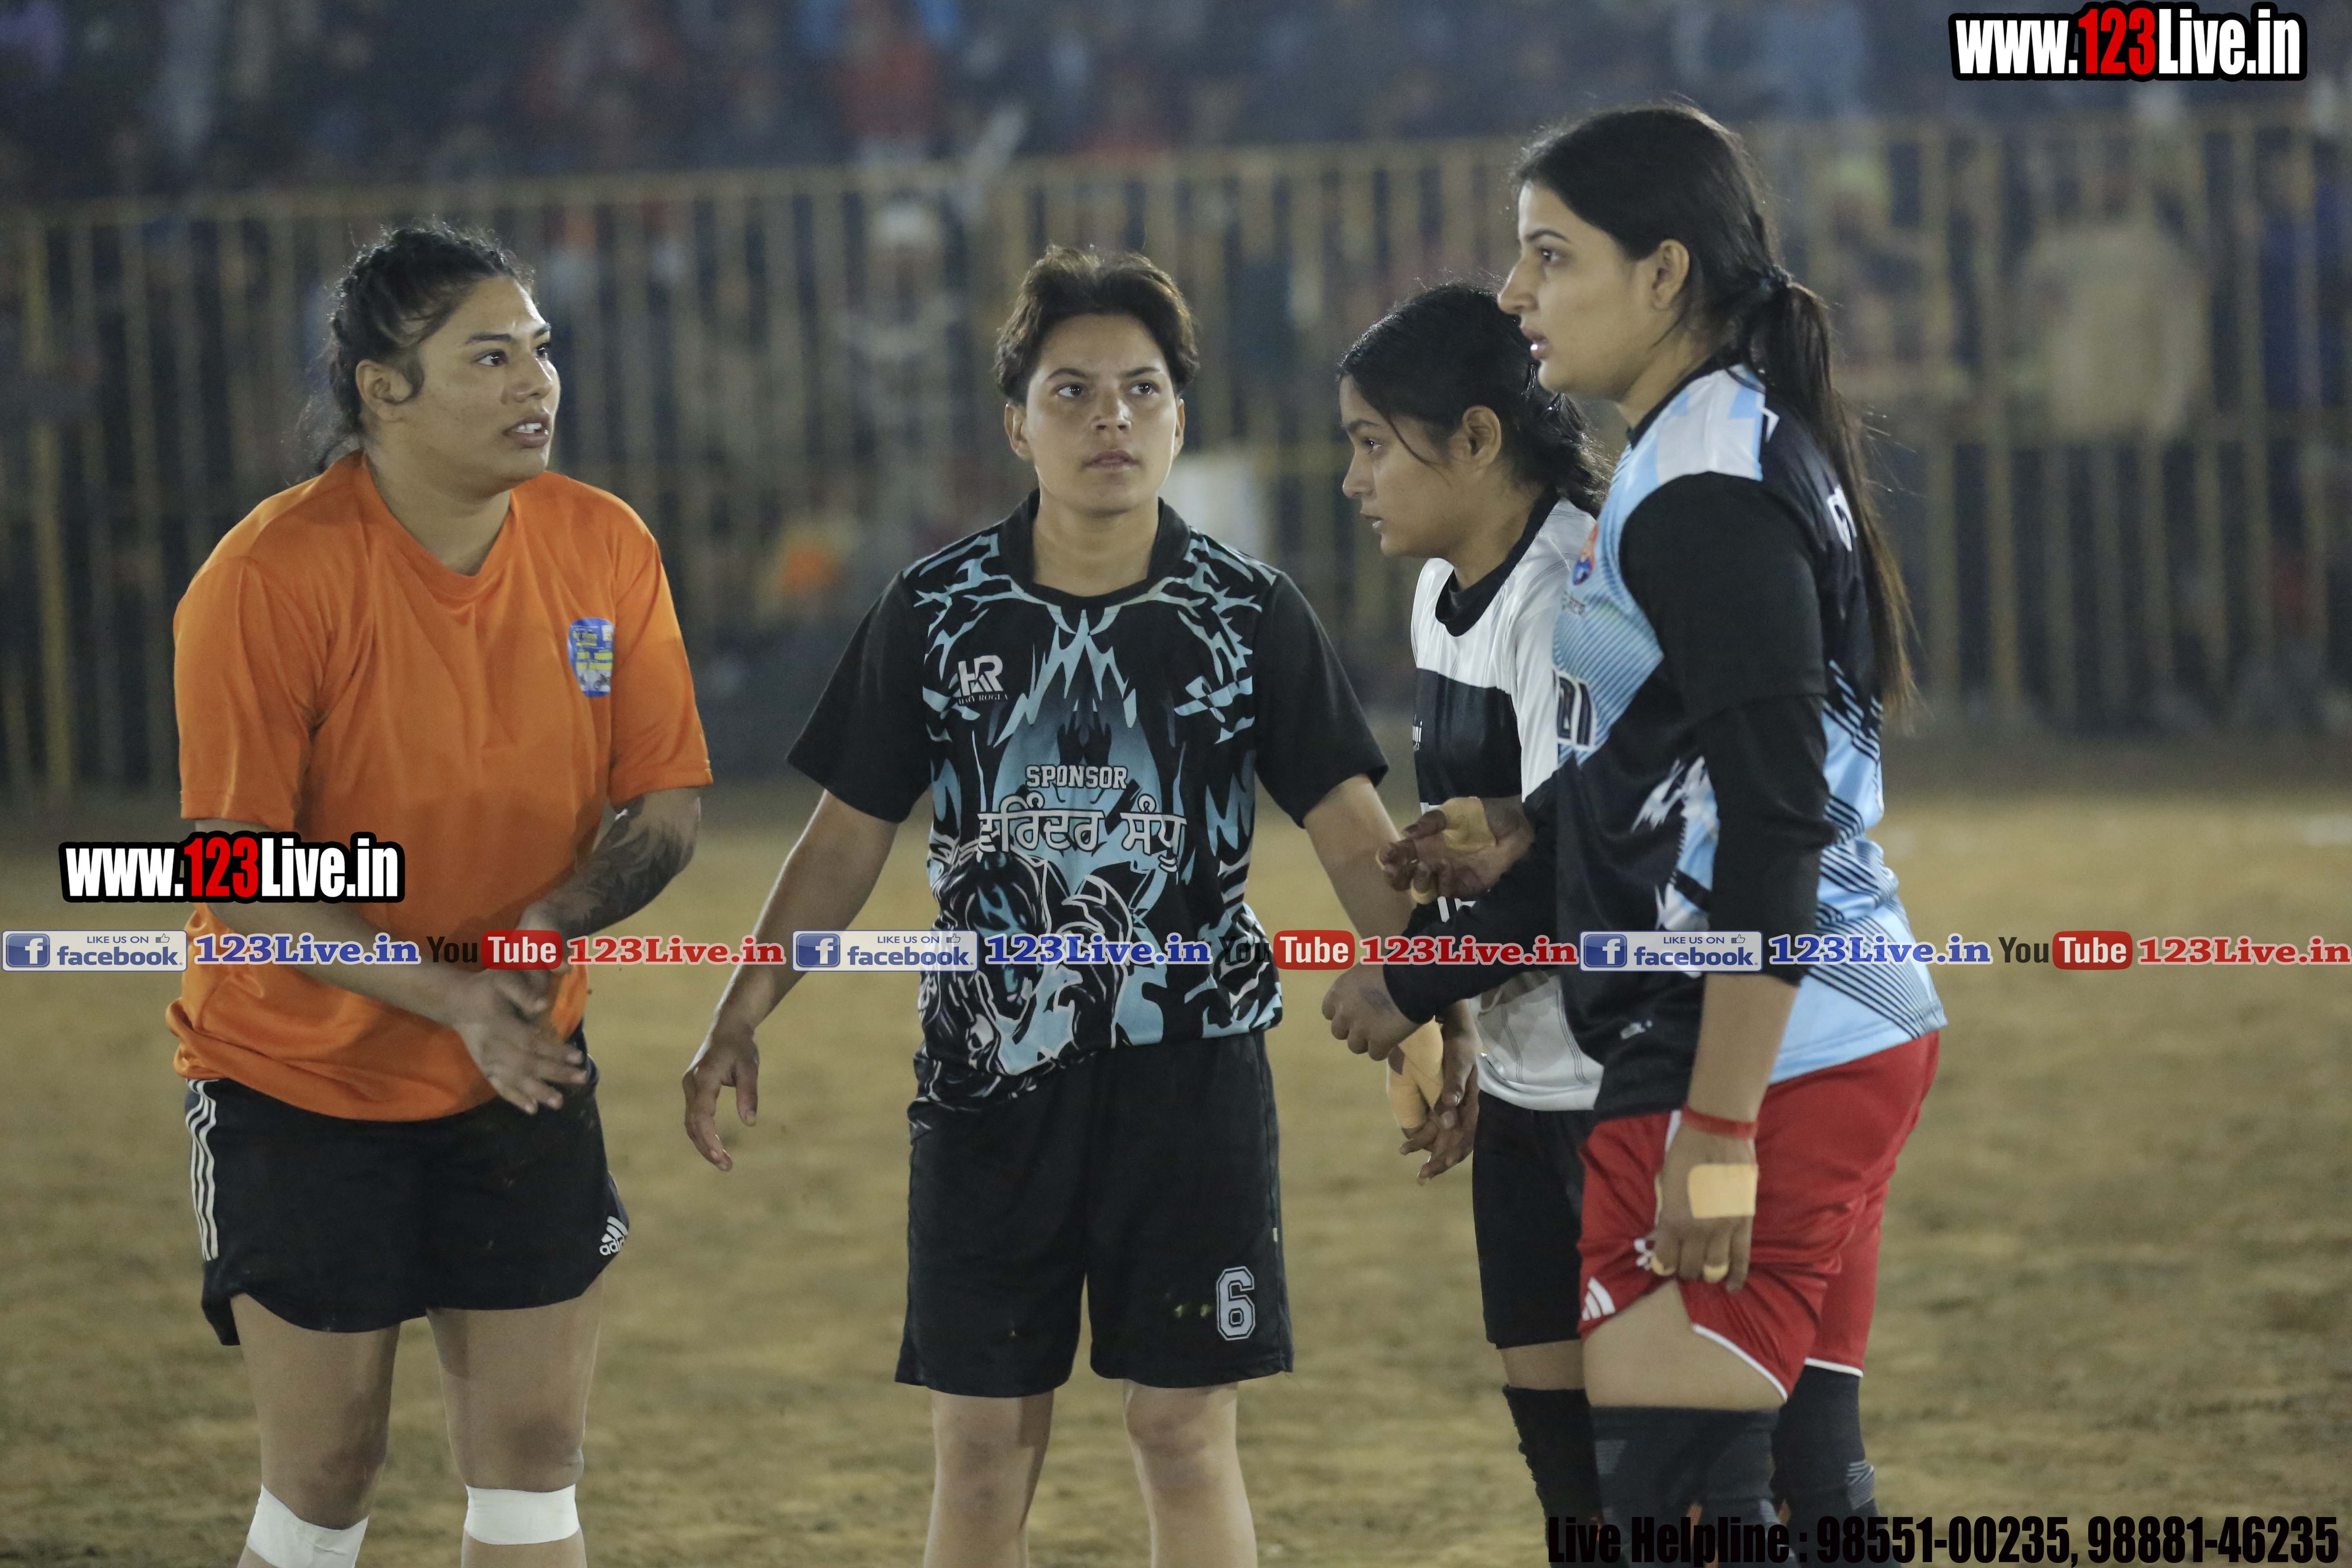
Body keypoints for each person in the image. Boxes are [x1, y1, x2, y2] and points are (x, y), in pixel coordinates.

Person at [682, 245, 1462, 1568]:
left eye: (1143, 390)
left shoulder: (1249, 613)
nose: (1112, 419)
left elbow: (1353, 839)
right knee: (983, 1445)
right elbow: (843, 840)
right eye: (1073, 391)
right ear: (1017, 424)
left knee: (1181, 1430)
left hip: (1193, 1069)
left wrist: (1432, 1009)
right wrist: (741, 1006)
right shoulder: (935, 611)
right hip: (988, 1073)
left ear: (1180, 419)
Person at [1323, 103, 1946, 1532]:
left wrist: (1718, 1127)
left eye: (1552, 256)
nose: (1516, 293)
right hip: (1808, 1031)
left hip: (1758, 1052)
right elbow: (1678, 745)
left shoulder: (1704, 488)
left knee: (1675, 1509)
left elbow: (1776, 817)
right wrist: (1533, 823)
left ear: (1664, 275)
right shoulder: (1695, 450)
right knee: (1801, 1497)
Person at [172, 223, 710, 1568]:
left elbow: (666, 808)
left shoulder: (603, 546)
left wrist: (548, 928)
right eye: (489, 355)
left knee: (534, 1457)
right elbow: (231, 870)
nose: (538, 380)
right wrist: (446, 995)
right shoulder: (268, 577)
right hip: (298, 1077)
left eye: (540, 347)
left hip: (518, 1062)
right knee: (327, 1472)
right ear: (383, 389)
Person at [1332, 282, 1615, 1525]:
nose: (1355, 479)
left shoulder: (1570, 594)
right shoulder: (1443, 590)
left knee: (1676, 1471)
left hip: (1623, 1084)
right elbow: (1494, 843)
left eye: (1374, 444)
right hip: (1525, 1084)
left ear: (1479, 439)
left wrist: (1409, 983)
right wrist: (1459, 1019)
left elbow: (1577, 865)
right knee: (1568, 1475)